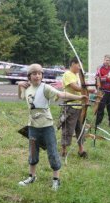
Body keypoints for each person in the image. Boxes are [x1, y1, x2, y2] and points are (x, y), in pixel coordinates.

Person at [17, 63, 87, 191]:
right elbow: (21, 96)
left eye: (39, 73)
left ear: (42, 75)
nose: (37, 76)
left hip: (47, 127)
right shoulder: (27, 88)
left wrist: (79, 96)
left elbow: (62, 95)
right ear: (29, 76)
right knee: (33, 153)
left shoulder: (46, 88)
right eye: (34, 74)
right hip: (32, 126)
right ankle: (32, 176)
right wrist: (19, 86)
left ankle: (56, 180)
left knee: (53, 153)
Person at [59, 57, 95, 158]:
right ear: (72, 64)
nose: (80, 67)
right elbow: (74, 87)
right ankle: (64, 150)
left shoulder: (77, 75)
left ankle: (81, 150)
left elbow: (81, 87)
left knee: (80, 128)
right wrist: (88, 90)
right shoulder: (68, 74)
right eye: (78, 65)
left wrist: (87, 90)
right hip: (71, 106)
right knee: (68, 129)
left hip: (80, 107)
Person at [95, 54, 110, 127]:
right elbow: (97, 78)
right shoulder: (99, 68)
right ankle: (97, 123)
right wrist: (107, 78)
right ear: (104, 60)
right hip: (102, 91)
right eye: (106, 60)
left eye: (109, 60)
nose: (107, 62)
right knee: (101, 108)